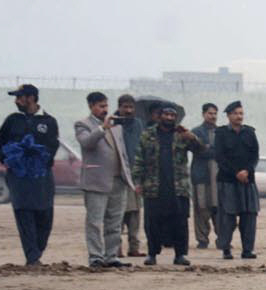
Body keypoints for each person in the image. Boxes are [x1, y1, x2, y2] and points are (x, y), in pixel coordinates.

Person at [0, 84, 58, 265]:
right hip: (19, 177)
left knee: (45, 215)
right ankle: (32, 258)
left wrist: (40, 158)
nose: (16, 101)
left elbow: (53, 145)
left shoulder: (48, 121)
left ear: (30, 97)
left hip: (42, 177)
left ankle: (37, 250)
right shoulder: (12, 120)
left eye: (19, 97)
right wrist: (8, 159)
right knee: (24, 214)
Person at [132, 103, 201, 266]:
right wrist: (137, 181)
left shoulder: (182, 134)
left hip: (178, 187)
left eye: (172, 116)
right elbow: (139, 159)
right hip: (154, 186)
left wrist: (192, 138)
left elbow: (201, 150)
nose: (169, 118)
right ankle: (152, 254)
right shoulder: (148, 135)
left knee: (180, 222)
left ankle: (180, 254)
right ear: (159, 116)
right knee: (152, 223)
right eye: (166, 115)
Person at [73, 91, 132, 270]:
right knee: (95, 221)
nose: (105, 110)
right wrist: (102, 128)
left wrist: (127, 175)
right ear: (91, 106)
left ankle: (111, 256)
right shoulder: (82, 124)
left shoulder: (116, 125)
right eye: (101, 106)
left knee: (115, 221)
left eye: (106, 106)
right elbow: (87, 143)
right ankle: (96, 257)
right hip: (96, 180)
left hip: (118, 180)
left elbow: (121, 152)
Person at [213, 101, 260, 260]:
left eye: (241, 113)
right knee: (227, 217)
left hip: (248, 181)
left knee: (249, 216)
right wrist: (236, 173)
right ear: (228, 115)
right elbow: (219, 157)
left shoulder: (250, 132)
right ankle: (226, 249)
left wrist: (247, 171)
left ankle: (247, 250)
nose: (239, 116)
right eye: (236, 113)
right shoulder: (220, 134)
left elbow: (255, 155)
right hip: (228, 181)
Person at [114, 94, 144, 257]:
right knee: (117, 213)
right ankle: (116, 247)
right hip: (118, 174)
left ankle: (134, 247)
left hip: (135, 174)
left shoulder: (138, 124)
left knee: (134, 212)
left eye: (131, 107)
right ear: (119, 107)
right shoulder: (112, 123)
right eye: (125, 107)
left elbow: (141, 147)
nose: (128, 110)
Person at [190, 103, 219, 251]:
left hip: (219, 178)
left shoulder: (222, 132)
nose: (213, 116)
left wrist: (207, 148)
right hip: (201, 176)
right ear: (203, 114)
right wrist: (207, 149)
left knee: (219, 208)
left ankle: (223, 239)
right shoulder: (195, 132)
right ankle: (202, 240)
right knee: (201, 208)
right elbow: (197, 150)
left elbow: (222, 152)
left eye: (215, 113)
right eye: (210, 113)